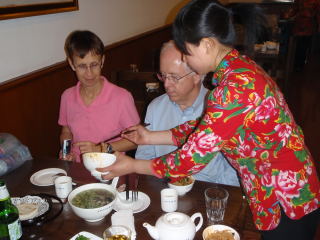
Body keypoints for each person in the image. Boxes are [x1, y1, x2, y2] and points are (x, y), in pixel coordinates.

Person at [98, 1, 320, 239]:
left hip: (286, 197)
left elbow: (190, 159)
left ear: (206, 45)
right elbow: (209, 128)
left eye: (187, 52)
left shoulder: (235, 87)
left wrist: (133, 166)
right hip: (281, 187)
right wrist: (151, 136)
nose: (185, 58)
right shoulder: (239, 67)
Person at [135, 41, 239, 186]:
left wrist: (213, 192)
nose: (166, 84)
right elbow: (145, 156)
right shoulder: (155, 107)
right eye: (163, 76)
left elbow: (233, 170)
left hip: (209, 191)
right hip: (163, 189)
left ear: (196, 74)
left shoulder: (221, 108)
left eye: (174, 77)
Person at [58, 30, 140, 162]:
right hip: (77, 168)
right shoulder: (67, 96)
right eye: (82, 66)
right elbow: (66, 130)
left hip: (112, 169)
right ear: (72, 64)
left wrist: (101, 148)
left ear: (102, 61)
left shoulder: (121, 97)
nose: (89, 74)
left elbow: (135, 140)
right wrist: (67, 152)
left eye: (94, 65)